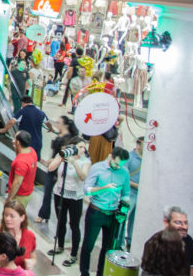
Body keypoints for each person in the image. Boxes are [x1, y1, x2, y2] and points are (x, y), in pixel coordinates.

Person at [79, 146, 131, 276]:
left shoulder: (124, 172)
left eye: (121, 165)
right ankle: (84, 273)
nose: (118, 167)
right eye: (116, 163)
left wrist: (124, 209)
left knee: (108, 248)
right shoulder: (97, 168)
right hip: (96, 211)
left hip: (112, 214)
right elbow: (87, 190)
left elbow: (126, 193)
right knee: (88, 246)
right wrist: (104, 188)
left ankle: (101, 273)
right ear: (111, 157)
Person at [47, 137, 90, 267]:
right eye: (80, 146)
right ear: (73, 147)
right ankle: (59, 246)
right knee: (61, 221)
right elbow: (50, 168)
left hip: (75, 197)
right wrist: (60, 158)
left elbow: (83, 177)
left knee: (74, 225)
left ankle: (73, 254)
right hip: (60, 193)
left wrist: (74, 162)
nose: (83, 149)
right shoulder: (63, 156)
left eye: (84, 147)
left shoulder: (86, 161)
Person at [34, 116, 78, 224]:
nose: (56, 124)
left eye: (59, 122)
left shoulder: (68, 138)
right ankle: (45, 214)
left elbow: (63, 155)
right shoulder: (60, 135)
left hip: (58, 168)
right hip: (53, 166)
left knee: (50, 192)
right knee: (47, 191)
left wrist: (53, 160)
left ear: (65, 125)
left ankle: (47, 215)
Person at [0, 201, 36, 272]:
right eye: (5, 215)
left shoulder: (30, 236)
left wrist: (32, 262)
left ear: (22, 217)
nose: (7, 219)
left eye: (12, 216)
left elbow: (33, 257)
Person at [161, 206, 193, 276]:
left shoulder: (188, 241)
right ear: (166, 223)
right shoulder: (157, 243)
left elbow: (191, 268)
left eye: (185, 223)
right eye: (178, 222)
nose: (184, 227)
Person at [6, 131, 38, 208]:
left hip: (19, 196)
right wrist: (17, 148)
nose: (13, 140)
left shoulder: (21, 162)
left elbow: (17, 183)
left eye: (15, 139)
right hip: (27, 192)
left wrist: (9, 199)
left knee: (14, 217)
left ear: (18, 142)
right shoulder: (32, 151)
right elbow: (19, 156)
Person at [124, 136, 144, 250]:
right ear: (138, 145)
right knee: (124, 218)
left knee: (135, 220)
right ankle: (120, 242)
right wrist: (138, 186)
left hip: (141, 195)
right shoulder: (129, 158)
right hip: (130, 193)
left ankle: (131, 241)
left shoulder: (147, 160)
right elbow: (124, 177)